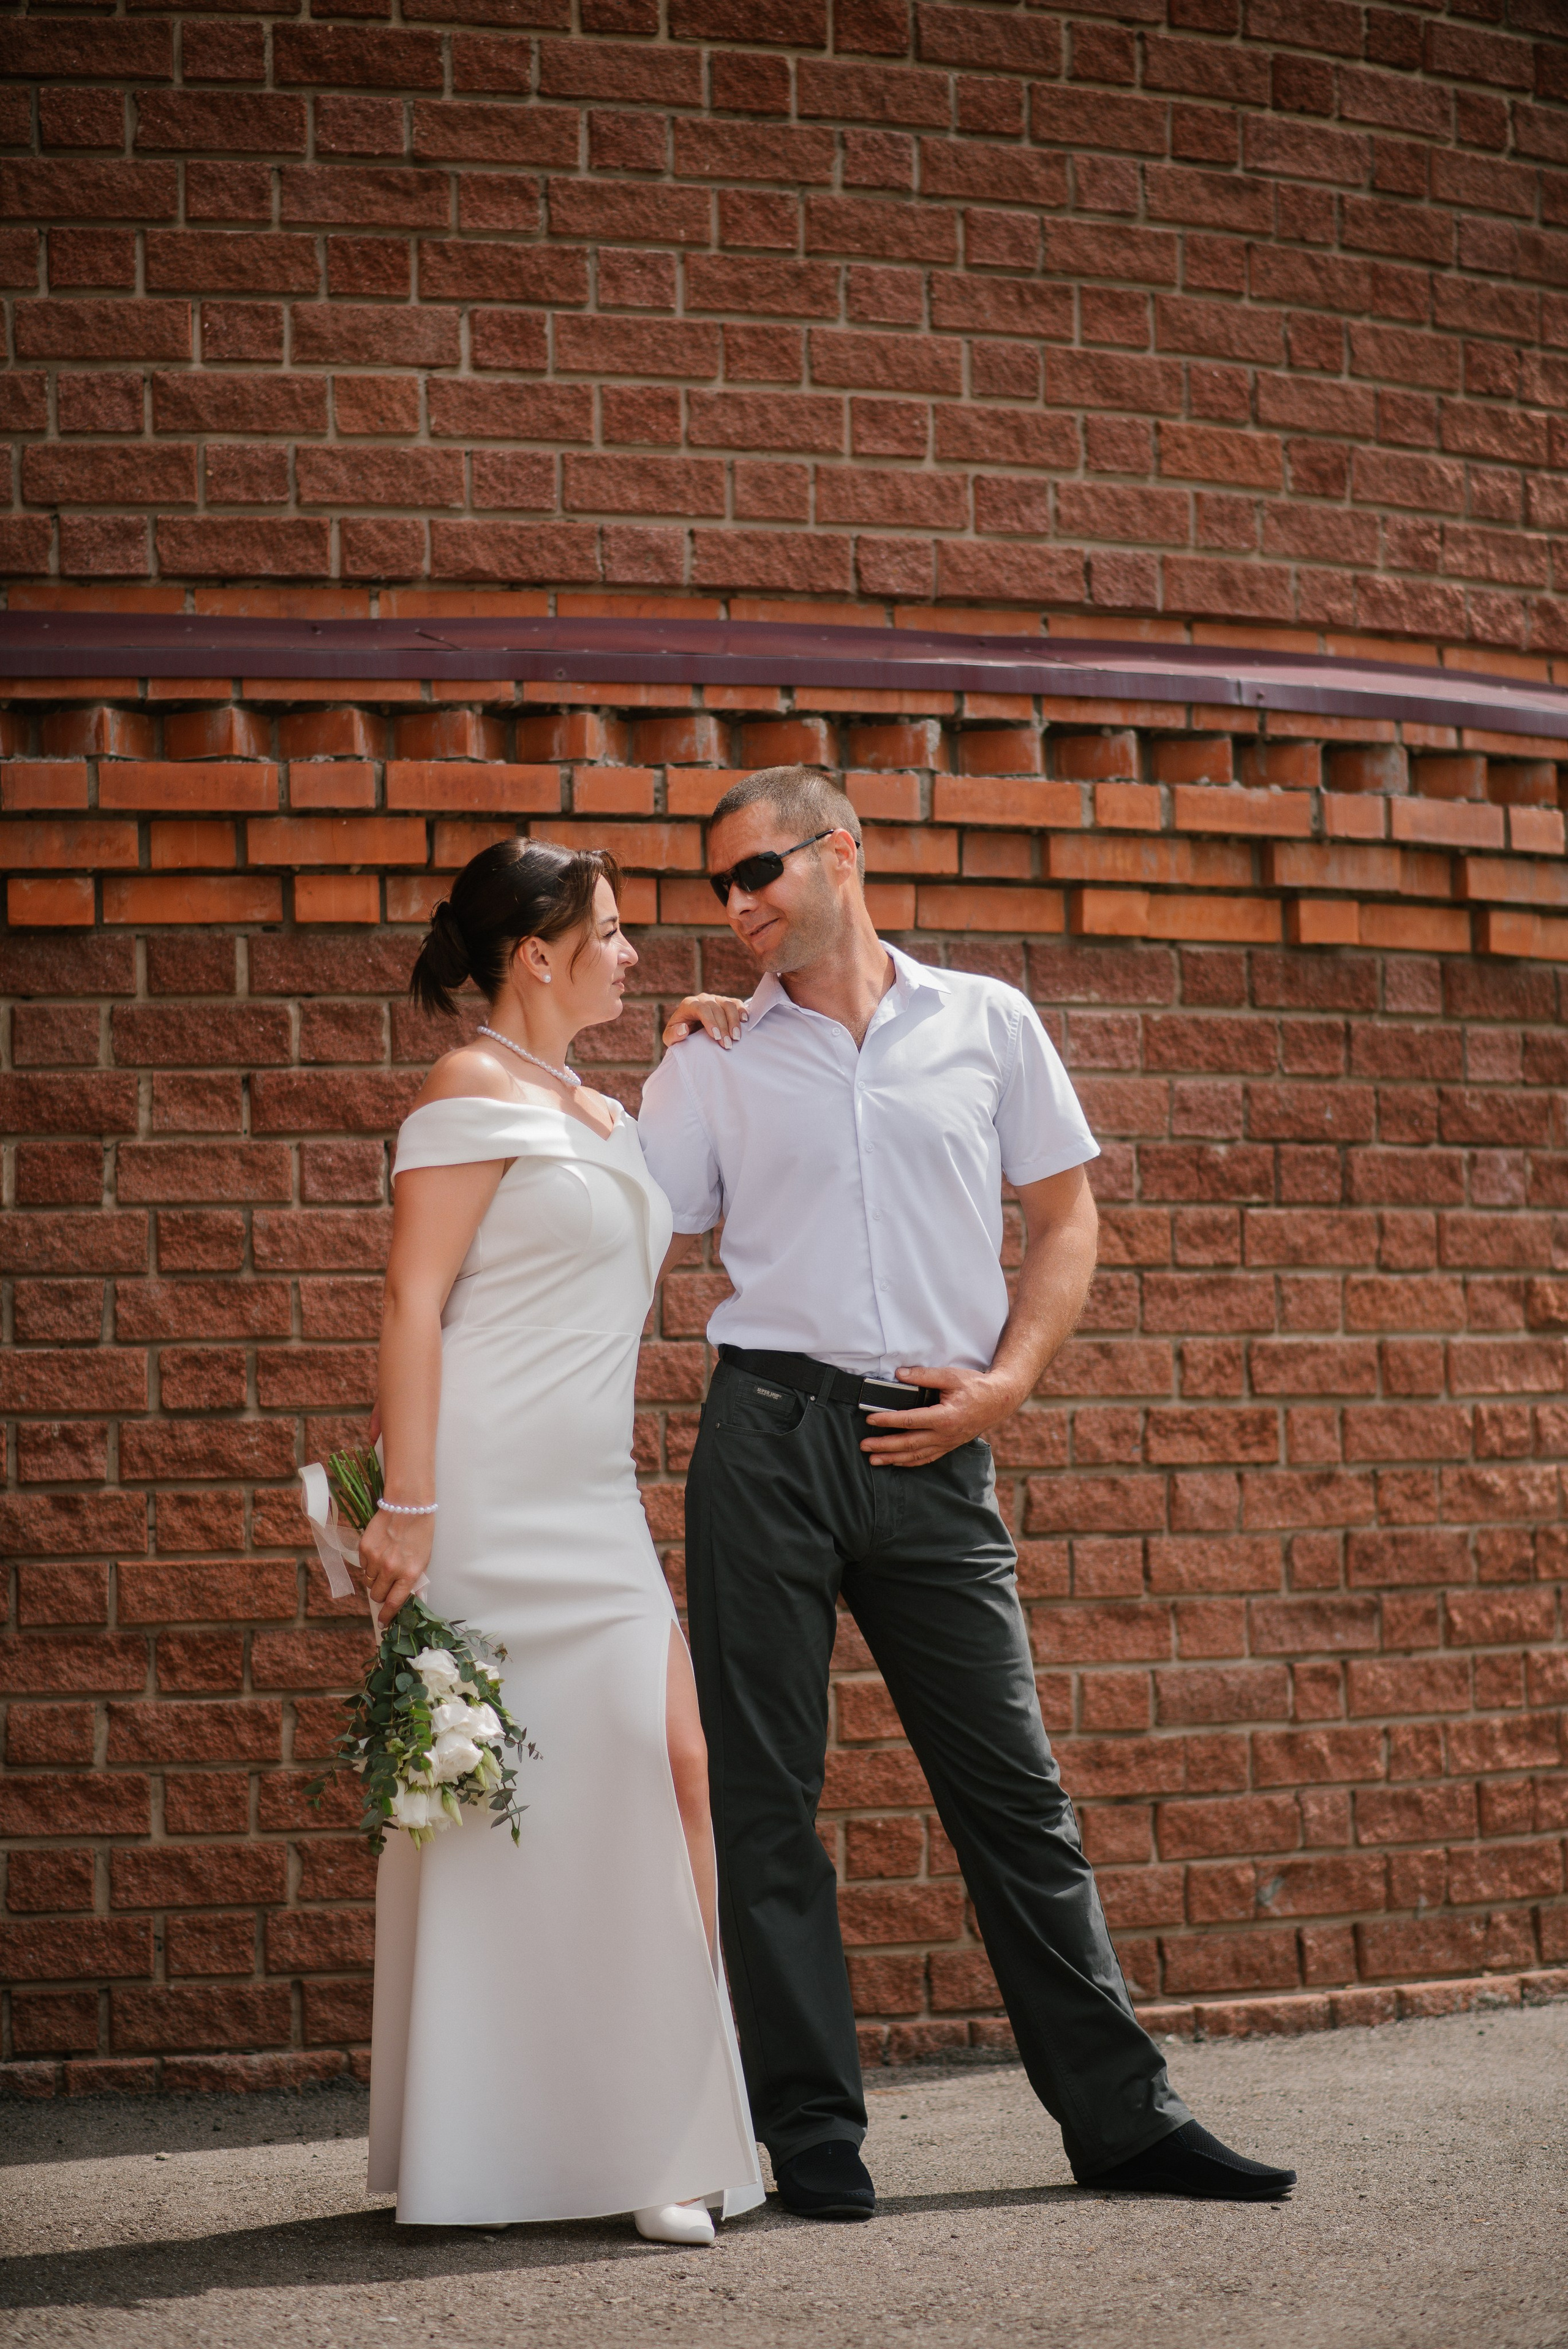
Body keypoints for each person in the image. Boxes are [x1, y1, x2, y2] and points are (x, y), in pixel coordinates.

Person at [638, 765, 1297, 2219]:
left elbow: (1065, 1216)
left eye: (758, 872)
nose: (738, 906)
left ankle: (1124, 2120)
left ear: (843, 851)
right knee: (765, 1803)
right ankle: (810, 2137)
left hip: (939, 1444)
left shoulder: (987, 1020)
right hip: (766, 1440)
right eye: (718, 889)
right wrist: (611, 1054)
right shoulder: (715, 1055)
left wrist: (1005, 1386)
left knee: (1015, 1794)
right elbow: (619, 1213)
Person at [356, 838, 764, 2241]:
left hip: (591, 1496)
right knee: (501, 1819)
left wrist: (700, 1043)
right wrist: (406, 1504)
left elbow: (627, 1192)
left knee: (678, 1769)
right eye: (612, 932)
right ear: (535, 950)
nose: (636, 951)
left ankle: (662, 2129)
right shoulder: (465, 1089)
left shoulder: (593, 1102)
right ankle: (507, 2145)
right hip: (481, 1491)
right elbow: (415, 1302)